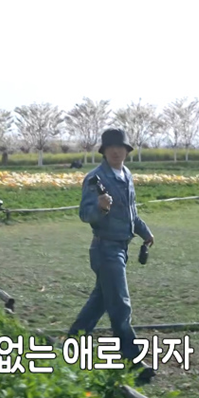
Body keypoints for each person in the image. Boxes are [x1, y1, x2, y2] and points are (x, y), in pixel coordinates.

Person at [67, 128, 156, 381]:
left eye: (121, 147)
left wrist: (144, 232)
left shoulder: (126, 175)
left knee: (101, 301)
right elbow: (85, 214)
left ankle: (72, 344)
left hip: (122, 248)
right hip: (105, 249)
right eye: (111, 148)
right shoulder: (95, 178)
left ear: (127, 151)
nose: (117, 151)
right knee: (120, 304)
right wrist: (99, 206)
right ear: (104, 151)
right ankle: (133, 361)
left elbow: (132, 213)